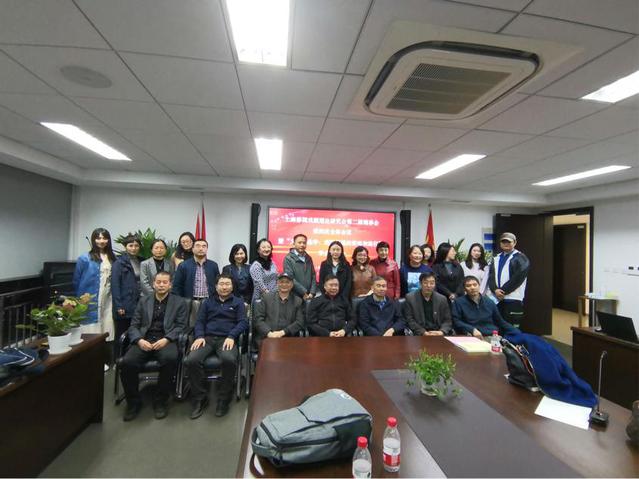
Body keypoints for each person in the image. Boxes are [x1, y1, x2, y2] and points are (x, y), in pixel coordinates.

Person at [119, 271, 187, 421]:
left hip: (165, 340)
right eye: (158, 282)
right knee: (127, 362)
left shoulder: (179, 302)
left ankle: (160, 401)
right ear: (153, 284)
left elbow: (181, 326)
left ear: (170, 285)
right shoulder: (144, 301)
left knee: (170, 359)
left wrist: (167, 339)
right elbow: (134, 325)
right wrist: (139, 340)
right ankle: (133, 403)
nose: (161, 285)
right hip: (144, 339)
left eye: (165, 282)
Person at [184, 274, 247, 418]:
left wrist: (232, 336)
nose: (224, 287)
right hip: (207, 338)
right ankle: (200, 398)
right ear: (216, 286)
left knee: (229, 360)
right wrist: (199, 336)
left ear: (232, 286)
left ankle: (224, 398)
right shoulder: (207, 302)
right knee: (192, 360)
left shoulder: (238, 302)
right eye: (221, 284)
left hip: (226, 339)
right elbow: (199, 322)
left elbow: (243, 322)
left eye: (227, 284)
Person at [73, 227, 116, 364]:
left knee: (107, 325)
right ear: (93, 240)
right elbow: (76, 281)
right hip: (90, 298)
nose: (101, 241)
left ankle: (105, 361)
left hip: (109, 297)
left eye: (104, 238)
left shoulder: (113, 258)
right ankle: (92, 362)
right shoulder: (84, 258)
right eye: (98, 238)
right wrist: (80, 300)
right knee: (92, 328)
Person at [452, 276, 519, 337]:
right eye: (468, 286)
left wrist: (518, 333)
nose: (472, 287)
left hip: (491, 335)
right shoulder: (458, 302)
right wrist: (472, 329)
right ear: (464, 289)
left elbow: (500, 321)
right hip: (471, 335)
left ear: (479, 286)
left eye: (475, 285)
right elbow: (456, 321)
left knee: (519, 337)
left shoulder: (489, 302)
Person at [487, 232, 530, 328]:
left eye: (509, 242)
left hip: (513, 298)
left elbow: (518, 278)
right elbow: (491, 276)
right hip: (496, 299)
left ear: (515, 243)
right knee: (497, 328)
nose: (506, 244)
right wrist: (495, 290)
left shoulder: (521, 258)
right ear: (500, 243)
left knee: (511, 328)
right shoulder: (496, 258)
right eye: (503, 241)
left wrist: (503, 291)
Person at [252, 273, 305, 349]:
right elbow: (258, 319)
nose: (284, 284)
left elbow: (299, 322)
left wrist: (282, 332)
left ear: (292, 285)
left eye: (287, 282)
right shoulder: (266, 298)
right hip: (267, 337)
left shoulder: (298, 301)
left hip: (288, 338)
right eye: (281, 282)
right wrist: (269, 333)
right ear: (277, 283)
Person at [111, 234, 143, 356]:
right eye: (131, 245)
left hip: (138, 302)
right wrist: (119, 306)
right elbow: (115, 285)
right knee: (122, 334)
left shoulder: (141, 261)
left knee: (134, 333)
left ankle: (130, 357)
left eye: (136, 246)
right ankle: (118, 359)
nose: (134, 248)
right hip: (125, 304)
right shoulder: (119, 263)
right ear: (125, 246)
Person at [283, 234, 318, 300]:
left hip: (309, 295)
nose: (302, 245)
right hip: (294, 296)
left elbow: (313, 275)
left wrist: (312, 292)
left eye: (304, 243)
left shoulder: (308, 258)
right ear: (294, 244)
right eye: (299, 242)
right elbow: (290, 278)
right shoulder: (288, 258)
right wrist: (304, 292)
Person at [250, 238, 279, 303]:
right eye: (263, 247)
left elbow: (277, 278)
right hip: (261, 299)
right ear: (258, 250)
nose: (266, 249)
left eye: (268, 247)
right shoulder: (256, 265)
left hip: (274, 296)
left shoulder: (272, 263)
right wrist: (270, 297)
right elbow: (259, 284)